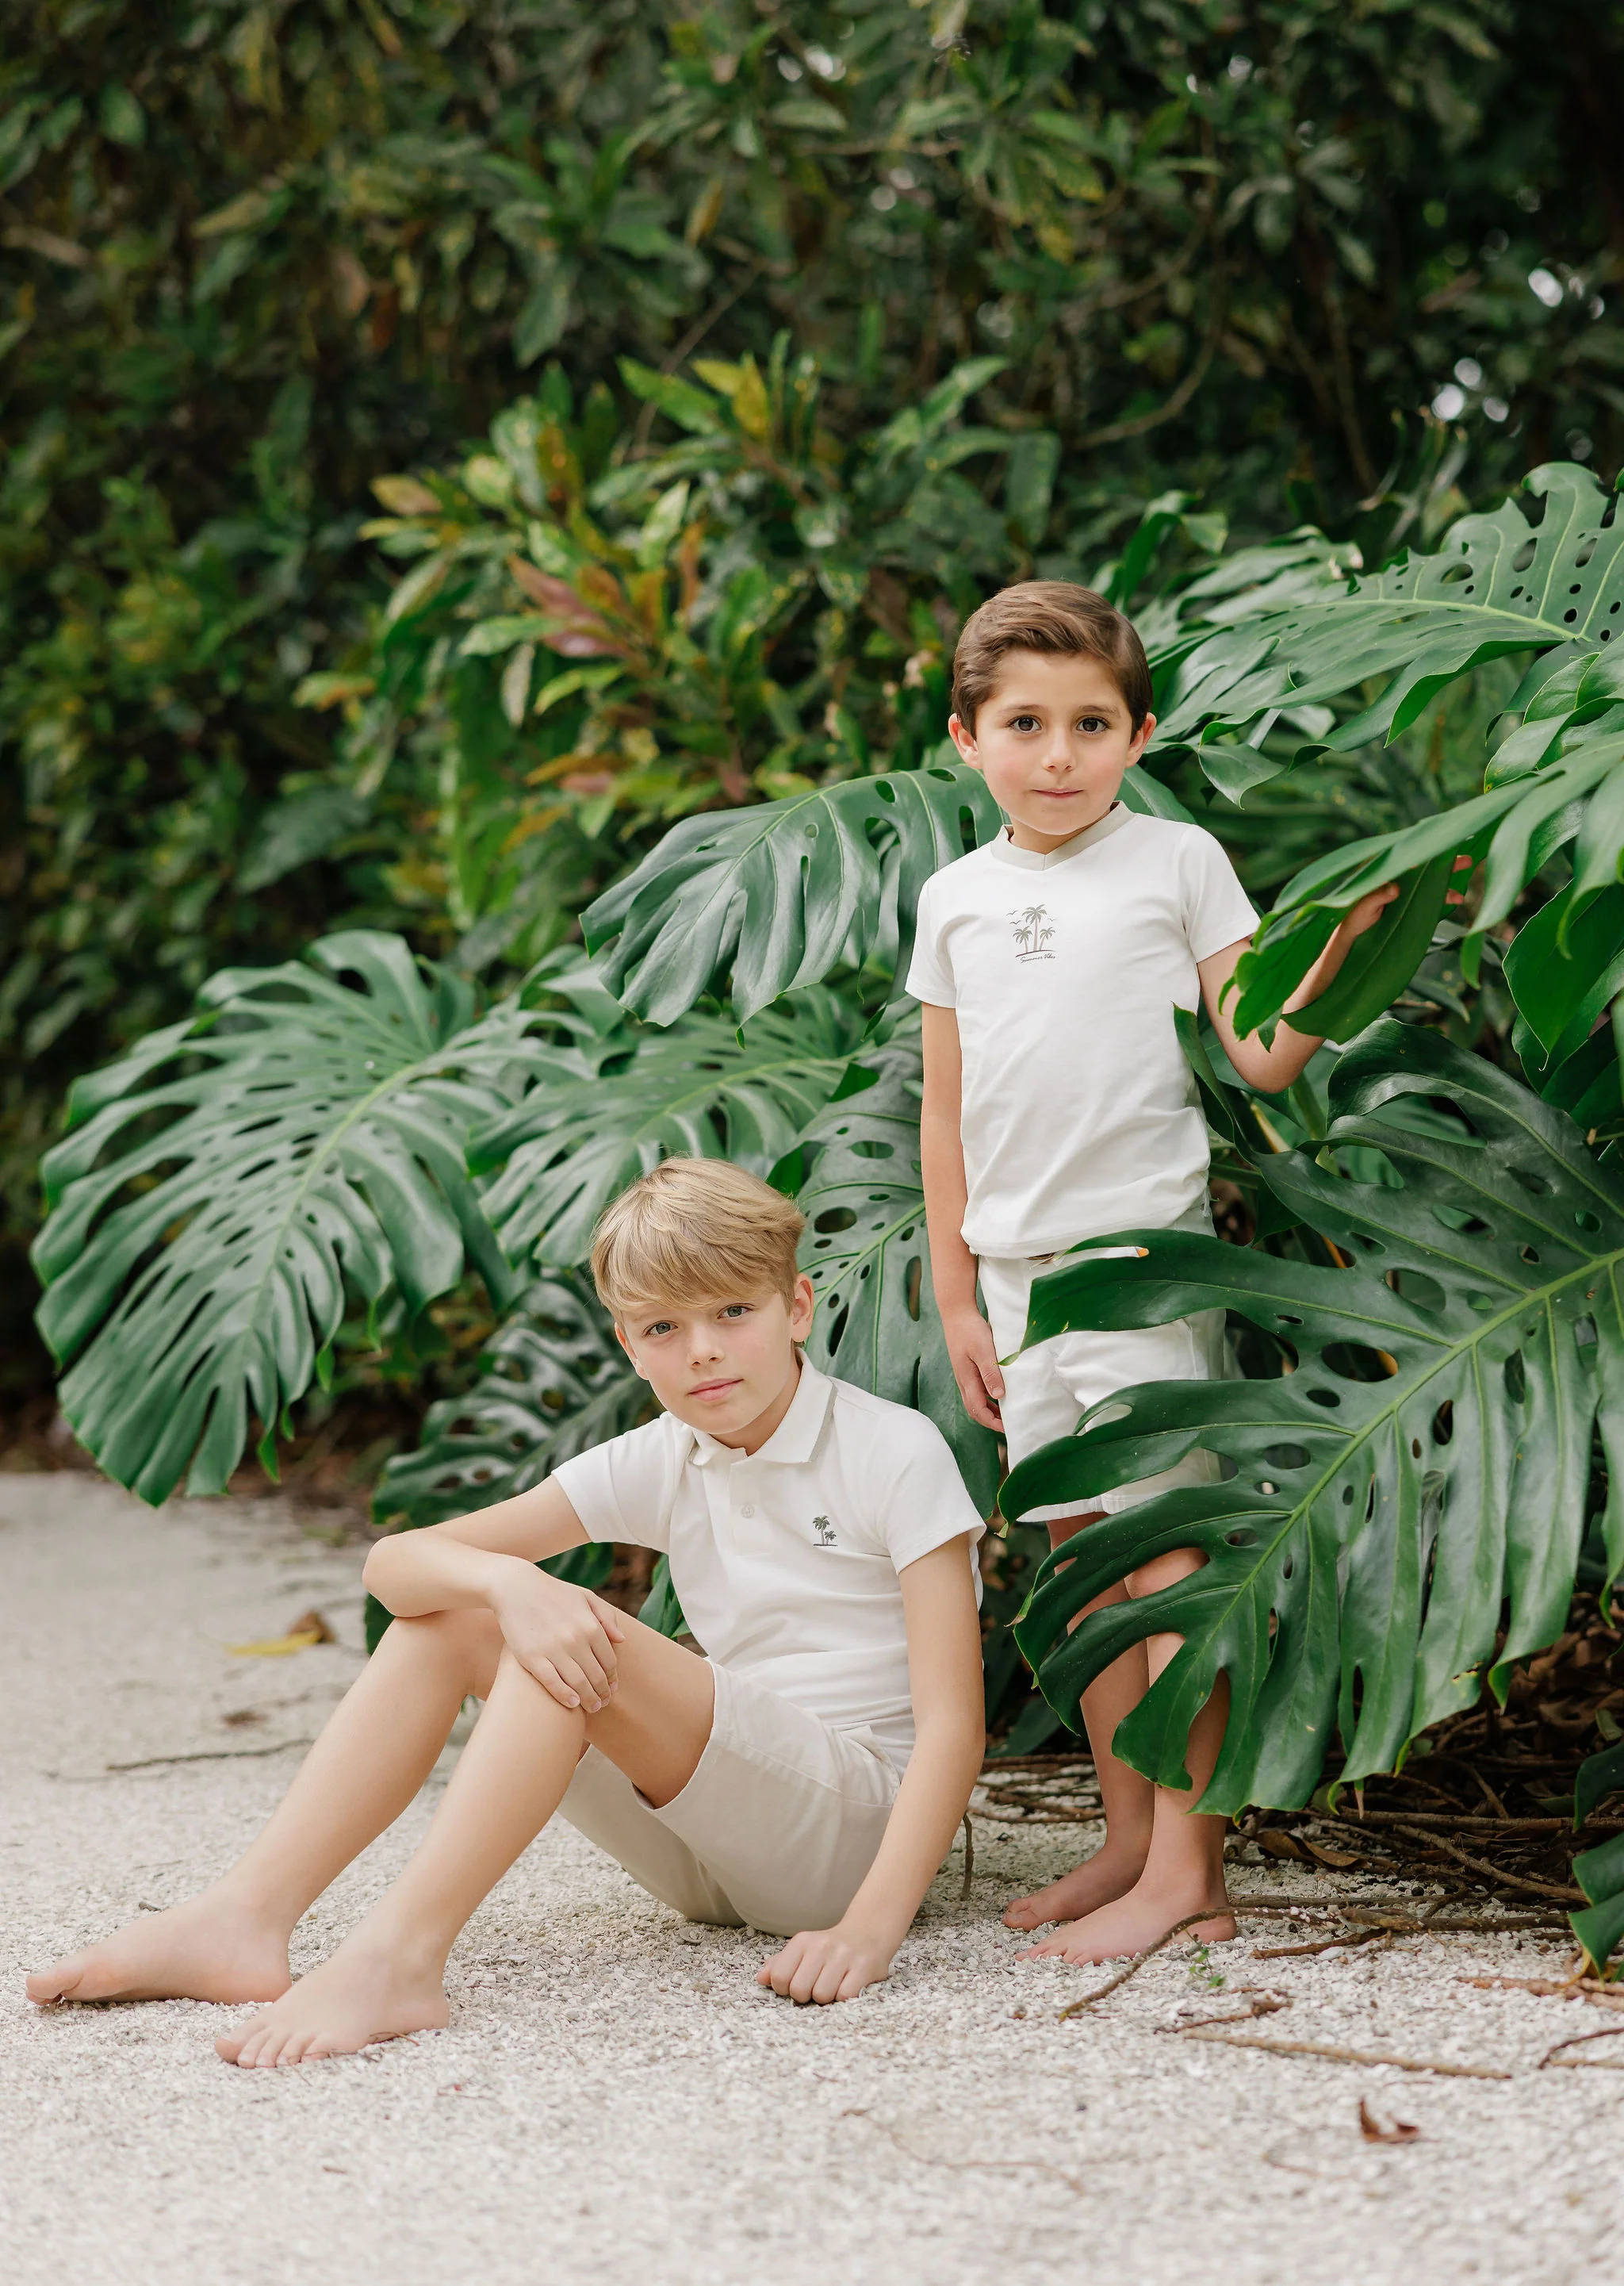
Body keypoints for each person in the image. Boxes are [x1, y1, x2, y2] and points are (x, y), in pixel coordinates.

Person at [27, 1159, 987, 2064]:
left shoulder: (889, 1451)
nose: (702, 1351)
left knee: (570, 1634)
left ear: (797, 1307)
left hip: (851, 1840)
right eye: (662, 1328)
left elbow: (952, 1721)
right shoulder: (665, 1452)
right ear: (628, 1343)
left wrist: (870, 1926)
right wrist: (505, 1583)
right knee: (465, 1613)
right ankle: (244, 1914)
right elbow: (393, 1564)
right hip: (712, 1856)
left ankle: (398, 1959)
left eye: (733, 1311)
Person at [910, 579, 1408, 1966]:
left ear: (1137, 734)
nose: (1055, 752)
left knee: (1161, 1558)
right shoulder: (952, 896)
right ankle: (1126, 1836)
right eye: (1024, 722)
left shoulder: (1175, 859)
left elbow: (1254, 1049)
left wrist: (1346, 952)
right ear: (966, 738)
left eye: (1088, 723)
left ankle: (1189, 1863)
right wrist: (953, 1292)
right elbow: (941, 1110)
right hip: (1014, 1273)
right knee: (1076, 1562)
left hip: (1140, 1264)